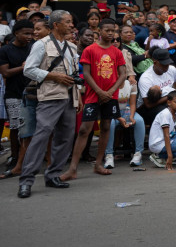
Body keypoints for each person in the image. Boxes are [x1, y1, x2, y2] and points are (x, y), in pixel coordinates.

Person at [18, 10, 80, 198]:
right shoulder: (41, 44)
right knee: (41, 136)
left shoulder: (72, 47)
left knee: (65, 137)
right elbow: (29, 70)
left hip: (70, 96)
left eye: (71, 22)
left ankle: (53, 175)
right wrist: (53, 75)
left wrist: (79, 97)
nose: (71, 25)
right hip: (50, 96)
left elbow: (75, 73)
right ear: (56, 25)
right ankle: (26, 180)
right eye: (67, 22)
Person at [62, 18, 126, 180]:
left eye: (113, 31)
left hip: (111, 96)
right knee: (85, 129)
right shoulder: (90, 50)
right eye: (107, 30)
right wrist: (99, 91)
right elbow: (87, 74)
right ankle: (73, 169)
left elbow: (123, 74)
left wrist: (110, 91)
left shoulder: (117, 52)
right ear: (100, 31)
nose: (110, 33)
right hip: (93, 95)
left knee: (105, 127)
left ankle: (98, 164)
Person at [0, 20, 34, 179]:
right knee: (15, 128)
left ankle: (27, 158)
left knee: (29, 128)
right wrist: (24, 67)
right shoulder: (6, 50)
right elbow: (5, 73)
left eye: (31, 33)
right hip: (13, 94)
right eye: (26, 33)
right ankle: (15, 157)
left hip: (31, 93)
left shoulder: (33, 47)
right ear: (16, 33)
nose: (29, 36)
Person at [103, 74, 145, 167]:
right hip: (112, 112)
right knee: (110, 124)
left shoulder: (131, 84)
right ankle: (109, 155)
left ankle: (138, 153)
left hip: (126, 111)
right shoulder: (109, 85)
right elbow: (108, 105)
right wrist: (118, 117)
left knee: (139, 121)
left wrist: (131, 116)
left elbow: (133, 103)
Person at [148, 90, 176, 169]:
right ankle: (159, 156)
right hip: (158, 144)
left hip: (169, 138)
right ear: (169, 103)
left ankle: (173, 156)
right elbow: (166, 135)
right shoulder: (165, 114)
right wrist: (170, 156)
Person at [136, 49, 176, 127]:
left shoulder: (171, 69)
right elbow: (148, 105)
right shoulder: (146, 78)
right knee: (167, 110)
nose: (166, 66)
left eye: (168, 63)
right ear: (155, 62)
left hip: (167, 100)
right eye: (163, 64)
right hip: (148, 108)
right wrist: (171, 96)